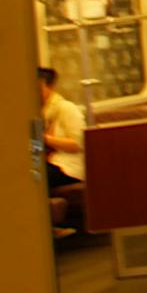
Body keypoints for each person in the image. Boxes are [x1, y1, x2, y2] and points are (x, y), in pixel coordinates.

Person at [39, 68, 86, 237]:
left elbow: (78, 144)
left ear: (48, 86)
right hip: (48, 162)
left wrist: (46, 139)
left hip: (67, 166)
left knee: (35, 177)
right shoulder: (36, 113)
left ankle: (46, 225)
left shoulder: (66, 109)